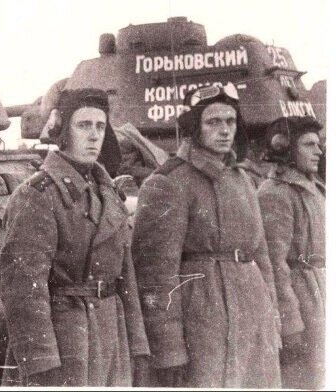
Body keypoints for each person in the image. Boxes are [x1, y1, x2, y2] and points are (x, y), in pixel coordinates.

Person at [131, 83, 281, 388]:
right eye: (213, 122)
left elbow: (262, 255)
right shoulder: (168, 182)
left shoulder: (243, 179)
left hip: (254, 317)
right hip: (203, 321)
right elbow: (155, 274)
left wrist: (273, 317)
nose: (225, 130)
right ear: (194, 128)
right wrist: (168, 349)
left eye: (230, 121)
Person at [0, 87, 150, 386]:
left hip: (112, 338)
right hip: (65, 341)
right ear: (63, 129)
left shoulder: (108, 193)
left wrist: (138, 347)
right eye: (83, 125)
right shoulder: (37, 195)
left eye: (100, 126)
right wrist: (40, 361)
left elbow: (126, 279)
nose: (94, 136)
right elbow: (23, 290)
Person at [258, 116, 325, 390]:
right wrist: (290, 323)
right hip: (302, 299)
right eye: (309, 144)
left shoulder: (315, 187)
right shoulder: (276, 193)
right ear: (285, 148)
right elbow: (275, 264)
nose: (318, 151)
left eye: (318, 144)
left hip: (320, 291)